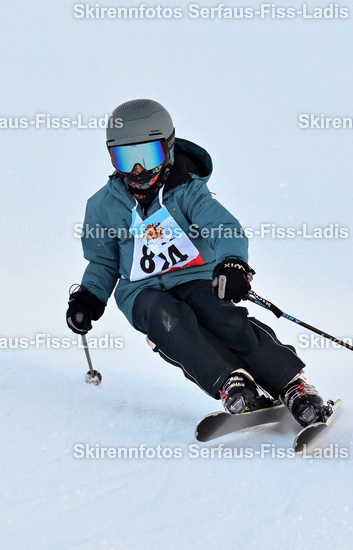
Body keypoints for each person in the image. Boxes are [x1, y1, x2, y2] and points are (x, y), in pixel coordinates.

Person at [66, 99, 329, 426]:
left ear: (168, 149)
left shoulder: (186, 192)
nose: (137, 171)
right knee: (169, 320)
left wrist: (232, 263)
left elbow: (223, 228)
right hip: (141, 292)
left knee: (221, 318)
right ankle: (231, 383)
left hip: (195, 277)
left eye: (147, 157)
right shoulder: (103, 205)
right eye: (126, 159)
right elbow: (103, 262)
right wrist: (89, 298)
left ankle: (292, 385)